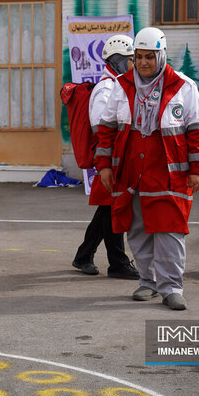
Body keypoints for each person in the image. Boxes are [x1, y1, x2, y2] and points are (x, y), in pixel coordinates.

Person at [94, 27, 199, 310]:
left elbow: (197, 130)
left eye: (150, 56)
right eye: (139, 56)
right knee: (138, 229)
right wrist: (104, 167)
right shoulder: (121, 86)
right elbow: (106, 130)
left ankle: (171, 288)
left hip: (169, 172)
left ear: (162, 55)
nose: (144, 62)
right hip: (131, 170)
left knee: (170, 230)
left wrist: (197, 169)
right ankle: (147, 282)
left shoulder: (184, 87)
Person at [72, 34, 139, 280]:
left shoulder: (121, 85)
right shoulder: (105, 89)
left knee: (109, 209)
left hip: (118, 157)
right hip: (109, 159)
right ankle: (116, 263)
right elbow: (101, 127)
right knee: (111, 209)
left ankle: (86, 256)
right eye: (131, 59)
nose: (134, 64)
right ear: (118, 60)